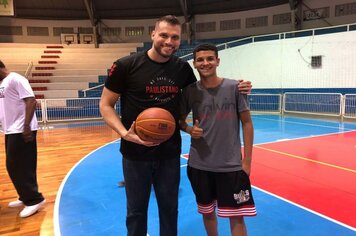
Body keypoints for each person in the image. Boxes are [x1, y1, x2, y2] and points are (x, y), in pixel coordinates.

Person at [99, 15, 252, 236]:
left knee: (170, 209)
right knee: (136, 211)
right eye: (164, 35)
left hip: (169, 153)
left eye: (175, 37)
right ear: (153, 34)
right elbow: (105, 105)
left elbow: (205, 90)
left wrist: (239, 86)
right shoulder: (126, 65)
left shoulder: (182, 69)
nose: (169, 41)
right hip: (134, 153)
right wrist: (125, 134)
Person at [179, 43, 256, 236]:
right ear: (194, 64)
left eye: (210, 59)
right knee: (207, 212)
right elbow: (179, 120)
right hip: (199, 165)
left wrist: (247, 161)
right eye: (200, 60)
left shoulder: (235, 87)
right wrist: (189, 129)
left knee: (237, 216)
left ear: (217, 61)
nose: (205, 63)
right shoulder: (189, 91)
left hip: (231, 166)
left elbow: (247, 123)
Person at [0, 60, 46, 218]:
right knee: (17, 166)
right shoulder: (3, 83)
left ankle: (34, 200)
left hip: (21, 129)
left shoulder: (16, 79)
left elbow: (31, 100)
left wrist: (26, 126)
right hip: (10, 130)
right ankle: (25, 195)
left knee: (17, 165)